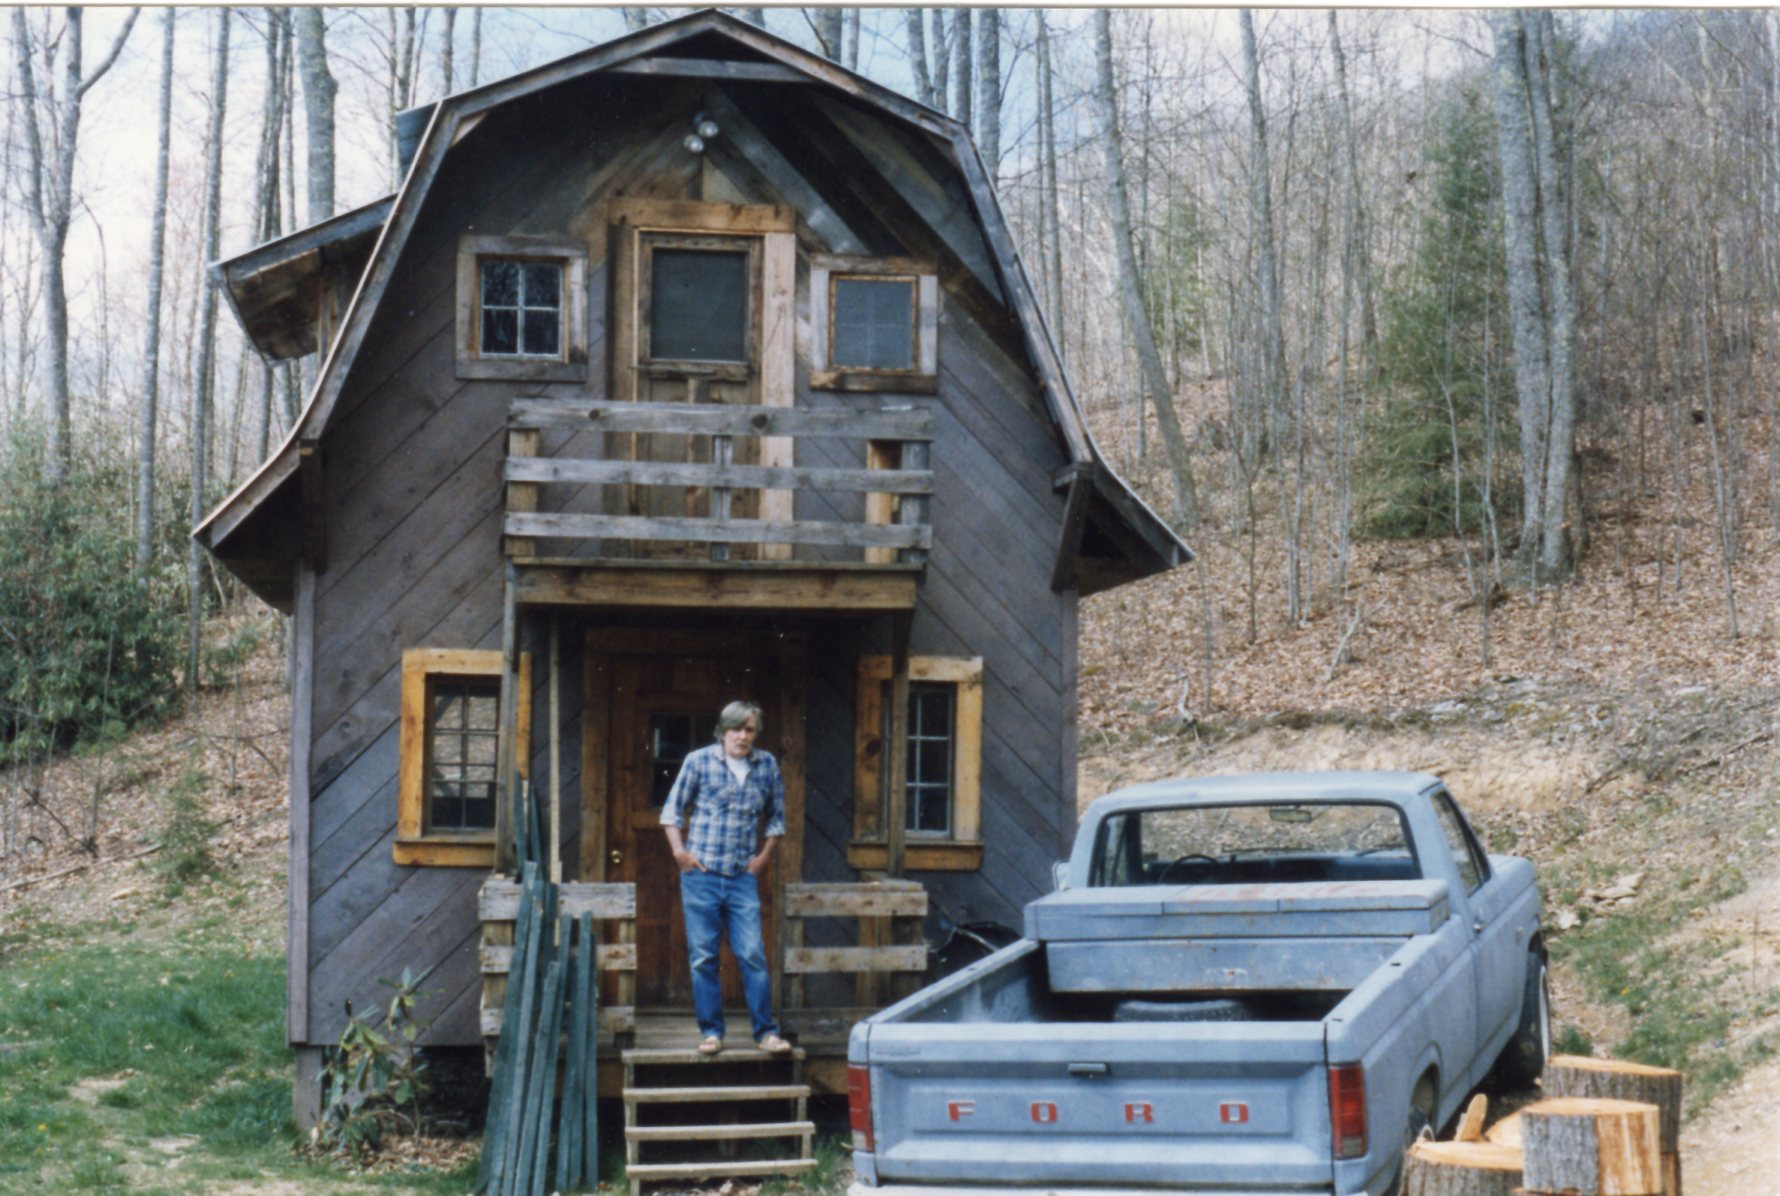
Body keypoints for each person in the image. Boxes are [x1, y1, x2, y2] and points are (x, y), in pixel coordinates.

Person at [660, 699, 792, 1055]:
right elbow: (671, 812)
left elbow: (777, 819)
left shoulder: (766, 766)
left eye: (749, 729)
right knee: (703, 956)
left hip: (740, 878)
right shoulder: (699, 761)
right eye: (736, 728)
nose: (743, 736)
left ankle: (766, 1032)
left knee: (752, 954)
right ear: (723, 731)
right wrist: (680, 854)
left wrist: (763, 858)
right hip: (701, 877)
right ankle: (712, 1033)